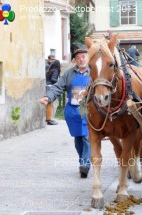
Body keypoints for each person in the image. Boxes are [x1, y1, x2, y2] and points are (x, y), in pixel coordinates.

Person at [40, 45, 91, 178]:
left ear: (88, 57)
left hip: (88, 109)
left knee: (86, 136)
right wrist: (48, 97)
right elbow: (58, 87)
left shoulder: (94, 72)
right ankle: (82, 161)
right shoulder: (69, 74)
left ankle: (85, 164)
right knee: (78, 137)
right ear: (75, 60)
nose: (81, 59)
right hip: (72, 111)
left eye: (83, 56)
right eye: (78, 57)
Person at [45, 59, 61, 125]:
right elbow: (53, 79)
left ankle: (48, 118)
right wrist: (59, 83)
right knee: (52, 104)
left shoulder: (49, 70)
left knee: (48, 103)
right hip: (51, 87)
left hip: (47, 86)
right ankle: (50, 119)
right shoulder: (56, 70)